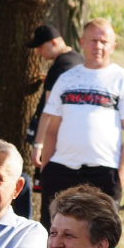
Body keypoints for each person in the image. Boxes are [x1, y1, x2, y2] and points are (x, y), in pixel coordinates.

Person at [37, 18, 124, 217]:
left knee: (99, 232)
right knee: (55, 231)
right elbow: (52, 129)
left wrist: (121, 176)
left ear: (113, 46)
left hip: (104, 173)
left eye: (104, 42)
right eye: (93, 40)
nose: (98, 46)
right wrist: (46, 170)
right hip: (61, 170)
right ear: (82, 42)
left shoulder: (123, 80)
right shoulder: (66, 79)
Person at [25, 23, 83, 169]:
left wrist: (39, 144)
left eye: (40, 47)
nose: (38, 52)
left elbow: (49, 109)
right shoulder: (79, 60)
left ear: (54, 42)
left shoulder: (59, 68)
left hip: (55, 138)